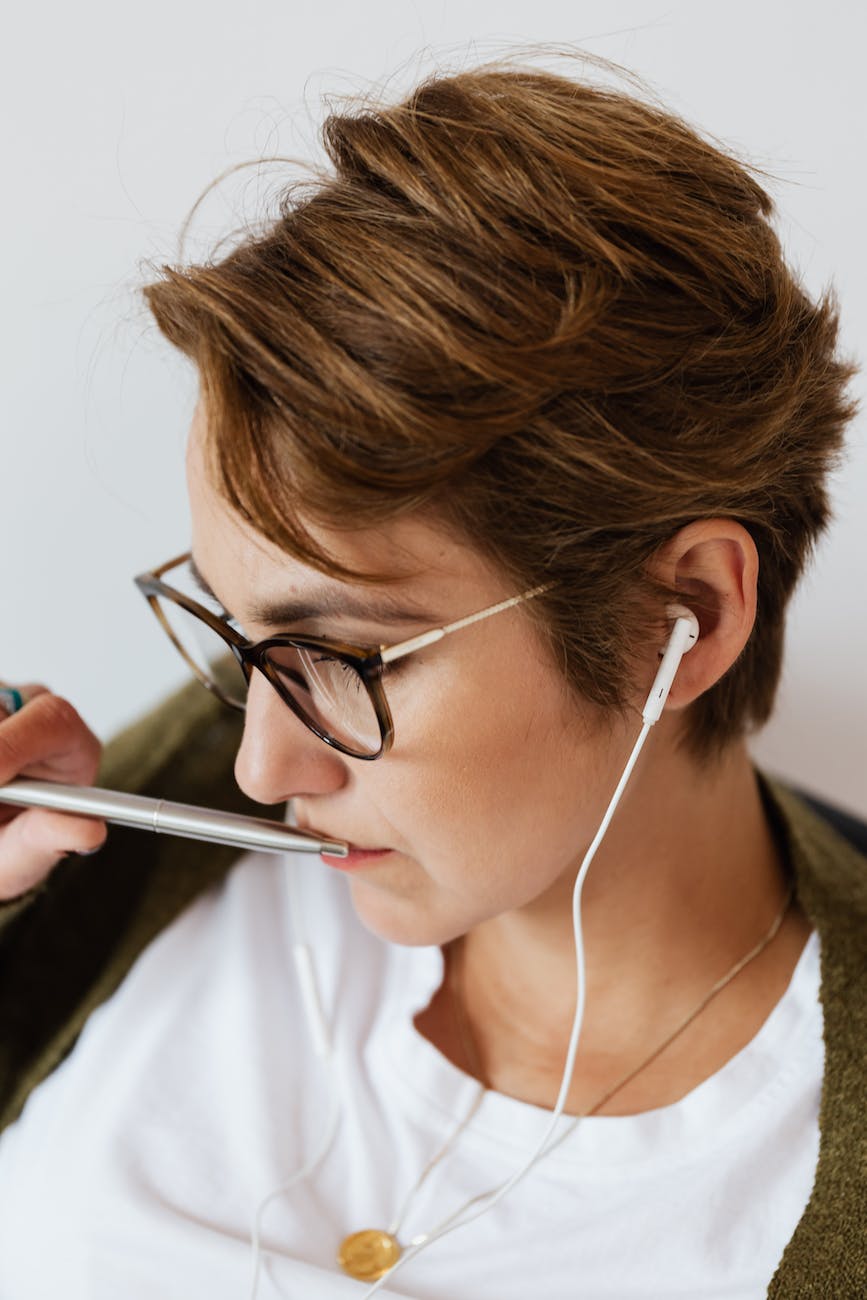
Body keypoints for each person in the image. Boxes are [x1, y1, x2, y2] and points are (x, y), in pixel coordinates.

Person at [0, 55, 864, 1300]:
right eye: (238, 634)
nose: (260, 765)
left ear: (687, 613)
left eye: (343, 658)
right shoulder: (135, 855)